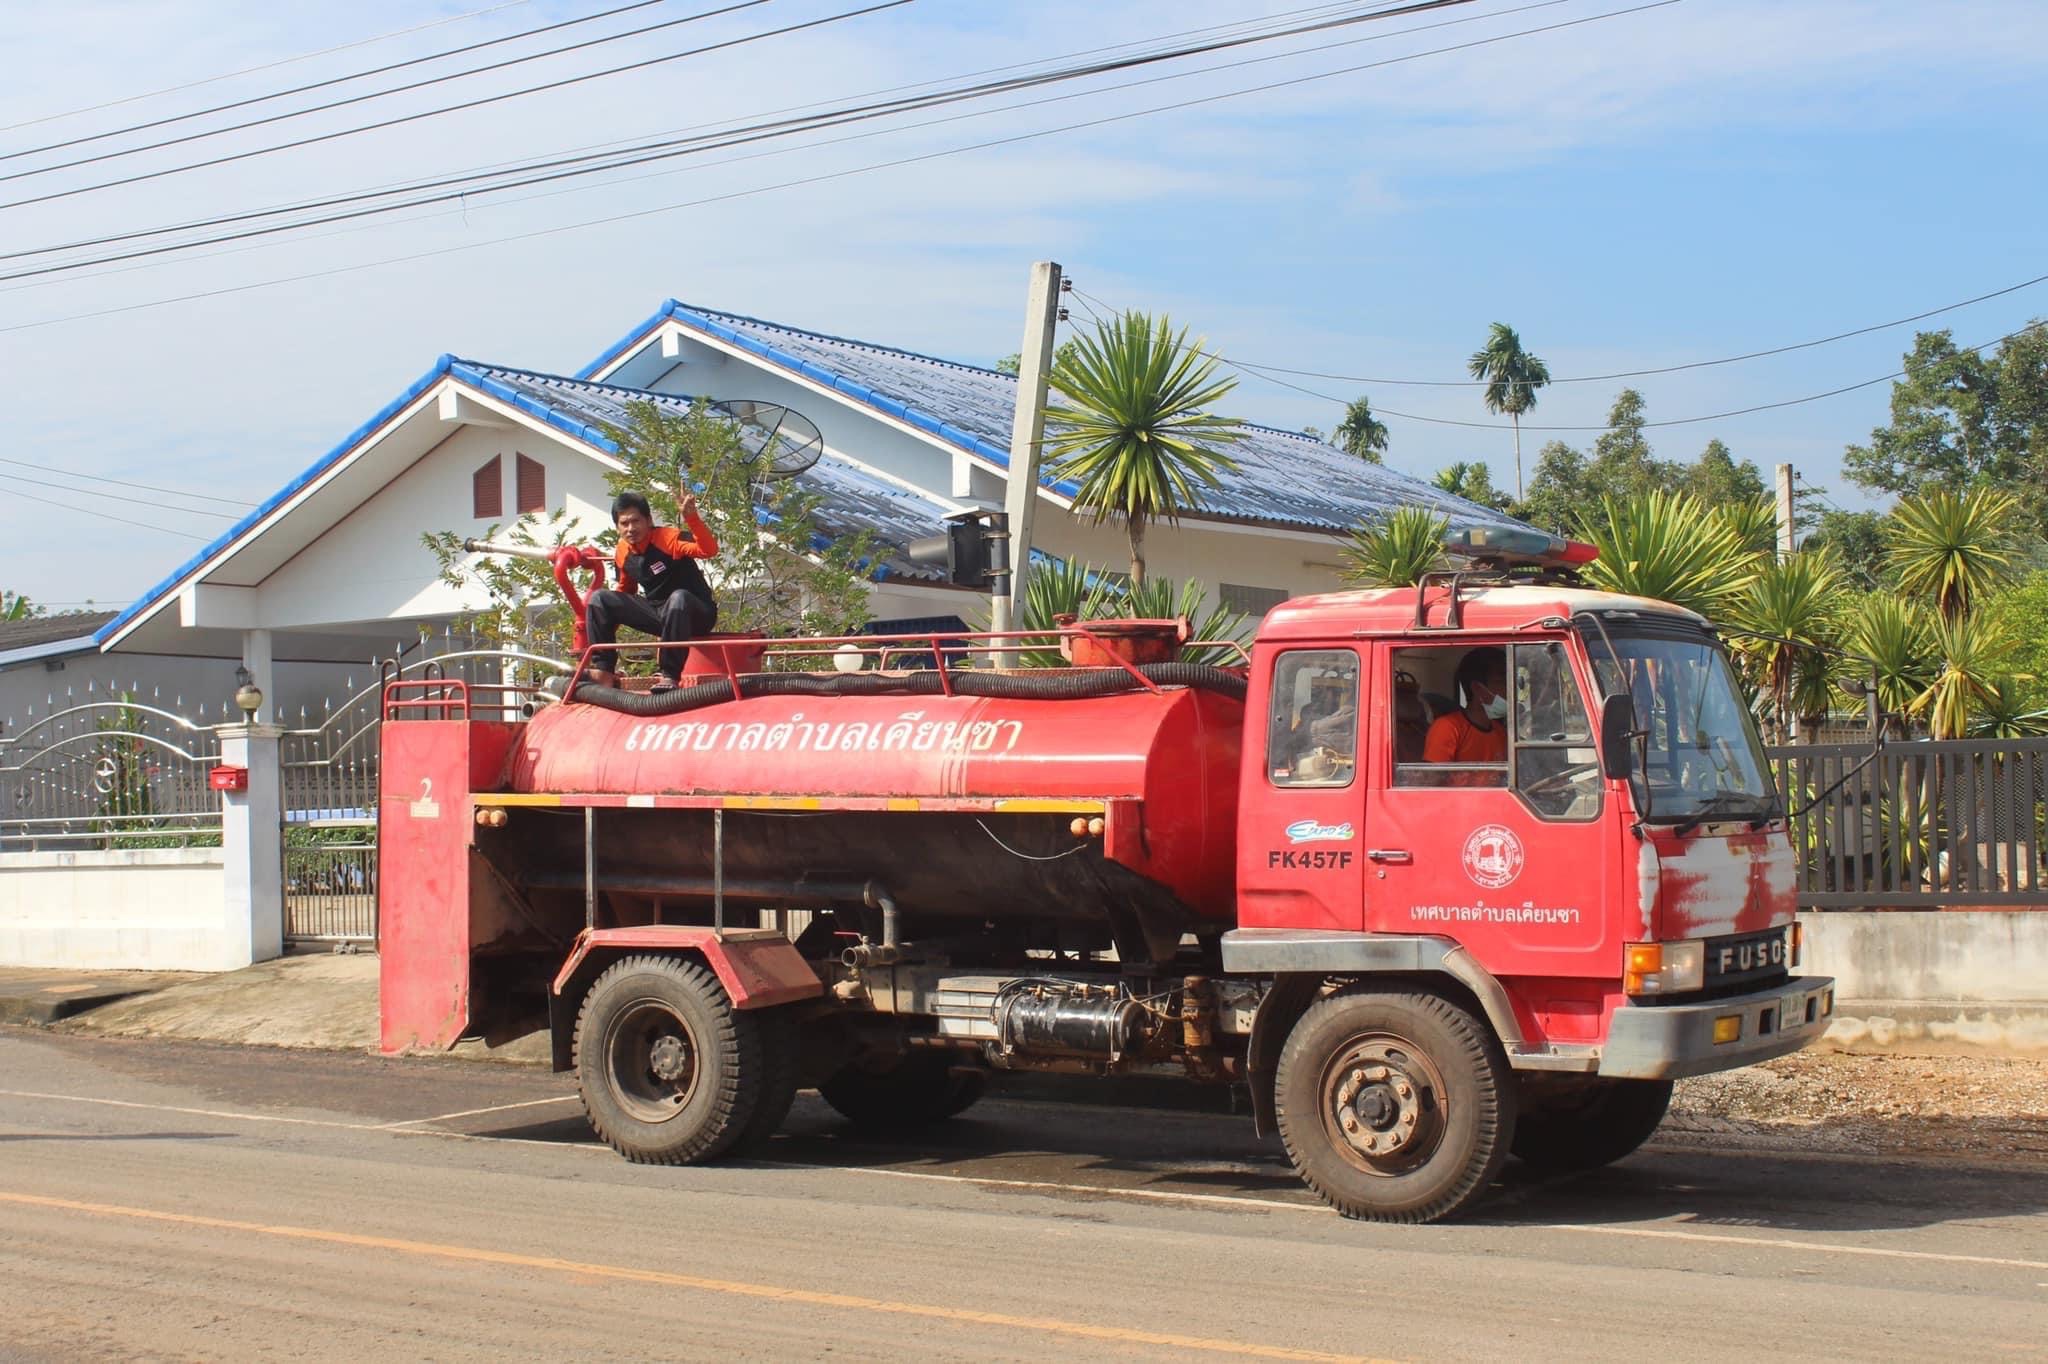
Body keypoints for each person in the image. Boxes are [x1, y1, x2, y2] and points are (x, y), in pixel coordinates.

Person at [584, 490, 719, 691]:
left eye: (635, 521)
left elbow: (709, 550)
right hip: (659, 614)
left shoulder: (669, 538)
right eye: (624, 524)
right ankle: (604, 670)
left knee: (678, 597)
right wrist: (604, 623)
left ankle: (670, 675)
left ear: (648, 520)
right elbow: (626, 591)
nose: (630, 528)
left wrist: (692, 518)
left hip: (696, 613)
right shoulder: (622, 551)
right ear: (617, 527)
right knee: (599, 599)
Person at [1423, 647, 1508, 779]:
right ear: (1478, 688)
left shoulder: (1500, 732)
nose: (1510, 688)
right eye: (1502, 682)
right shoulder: (1448, 727)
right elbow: (1432, 783)